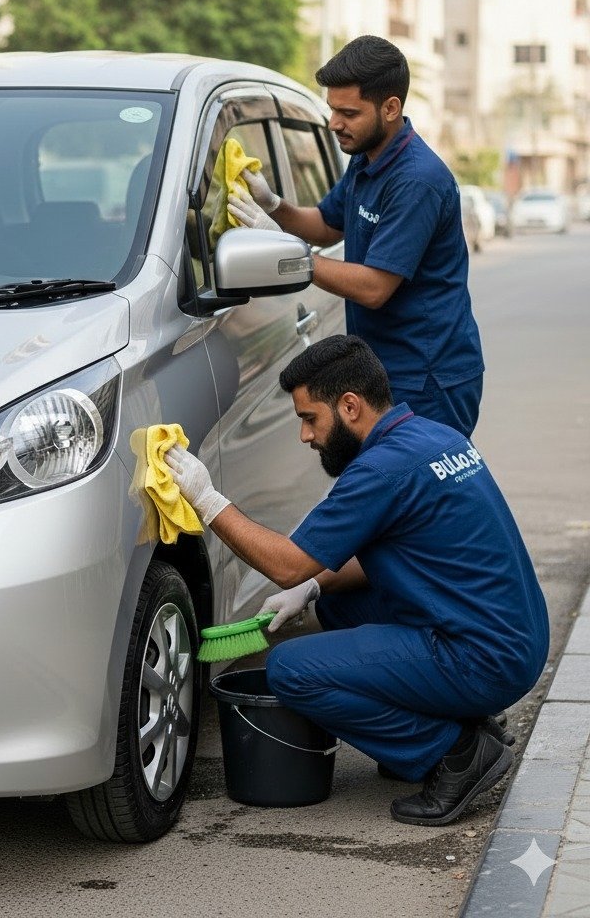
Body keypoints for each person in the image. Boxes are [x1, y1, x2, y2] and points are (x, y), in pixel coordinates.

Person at [165, 334, 548, 826]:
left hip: (484, 659)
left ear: (349, 406)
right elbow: (396, 552)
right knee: (337, 608)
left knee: (290, 670)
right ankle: (464, 716)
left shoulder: (379, 471)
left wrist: (206, 498)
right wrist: (315, 586)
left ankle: (457, 750)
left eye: (309, 419)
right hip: (515, 638)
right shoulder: (432, 437)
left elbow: (286, 562)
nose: (306, 436)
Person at [229, 35, 484, 437]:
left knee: (423, 492)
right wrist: (273, 205)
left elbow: (373, 288)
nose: (334, 124)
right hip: (384, 368)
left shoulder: (416, 180)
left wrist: (290, 256)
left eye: (348, 112)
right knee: (391, 490)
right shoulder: (368, 158)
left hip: (428, 376)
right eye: (332, 109)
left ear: (390, 108)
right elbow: (328, 223)